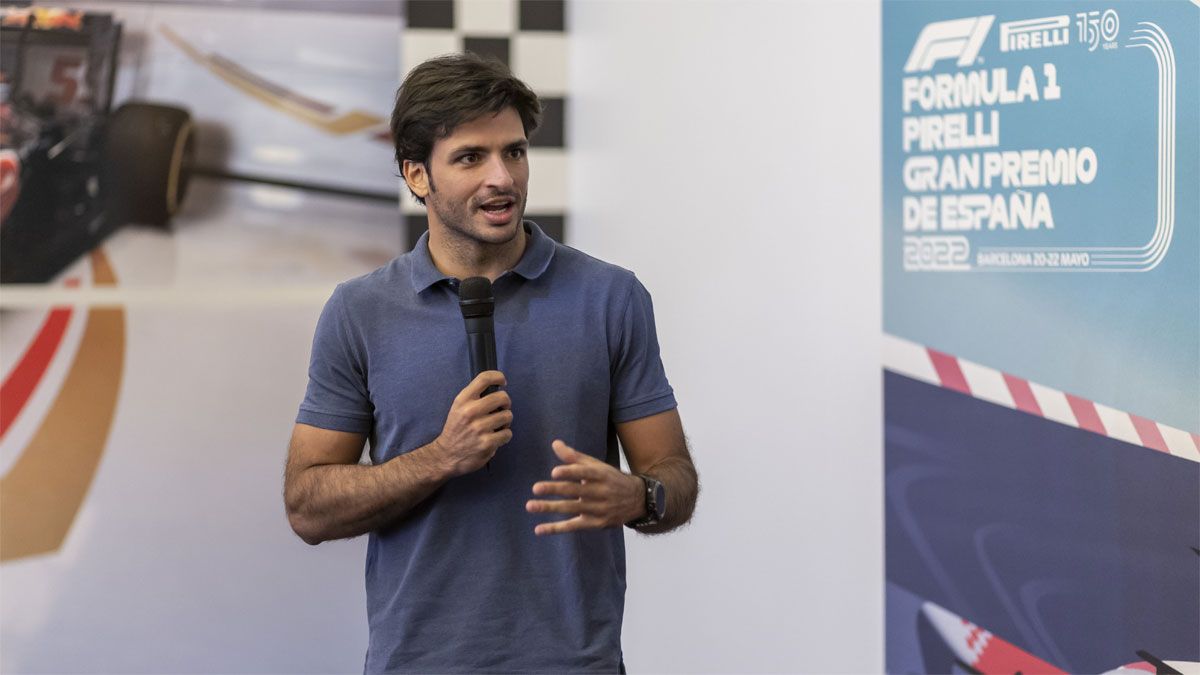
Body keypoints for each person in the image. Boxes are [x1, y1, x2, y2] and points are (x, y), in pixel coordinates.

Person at [284, 53, 699, 674]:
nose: (502, 177)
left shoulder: (611, 298)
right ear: (417, 175)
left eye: (515, 151)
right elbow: (307, 505)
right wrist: (439, 459)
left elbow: (676, 479)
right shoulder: (359, 311)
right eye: (471, 157)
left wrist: (640, 496)